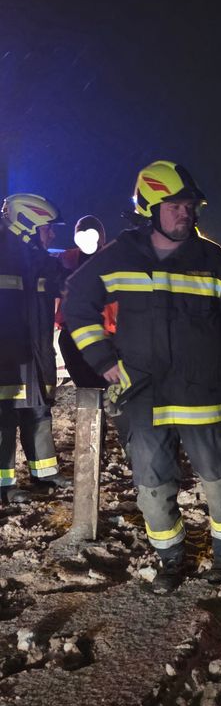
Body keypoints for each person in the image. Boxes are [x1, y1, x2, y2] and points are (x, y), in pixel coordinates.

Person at [62, 161, 221, 593]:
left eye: (189, 206)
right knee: (153, 489)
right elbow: (76, 305)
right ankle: (171, 562)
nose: (186, 213)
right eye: (175, 205)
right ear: (149, 208)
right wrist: (102, 358)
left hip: (202, 395)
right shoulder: (121, 255)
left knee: (218, 483)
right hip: (142, 397)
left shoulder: (210, 258)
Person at [0, 193, 71, 504]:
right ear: (26, 225)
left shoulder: (39, 261)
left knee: (38, 411)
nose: (52, 234)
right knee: (4, 418)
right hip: (5, 357)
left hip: (35, 353)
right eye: (47, 228)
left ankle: (44, 473)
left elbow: (70, 281)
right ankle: (3, 485)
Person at [56, 215, 117, 388]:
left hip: (74, 333)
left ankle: (92, 412)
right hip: (102, 333)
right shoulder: (112, 260)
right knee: (105, 387)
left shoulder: (64, 259)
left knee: (89, 388)